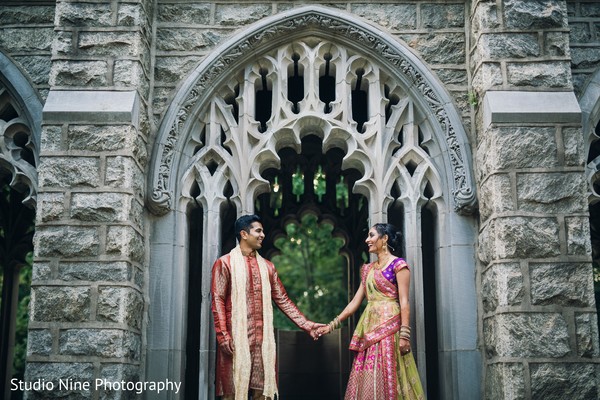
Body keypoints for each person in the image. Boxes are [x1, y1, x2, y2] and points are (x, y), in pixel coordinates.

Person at [211, 214, 324, 400]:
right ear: (244, 234)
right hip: (235, 338)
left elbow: (283, 300)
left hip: (262, 342)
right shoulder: (225, 263)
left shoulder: (268, 267)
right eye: (258, 231)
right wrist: (223, 335)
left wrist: (307, 324)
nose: (263, 234)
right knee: (231, 393)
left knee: (263, 393)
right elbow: (217, 300)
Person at [316, 223, 425, 400]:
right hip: (369, 328)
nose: (367, 240)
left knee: (390, 371)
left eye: (372, 235)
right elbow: (355, 302)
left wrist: (405, 335)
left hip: (390, 328)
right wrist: (331, 325)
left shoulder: (398, 265)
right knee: (370, 373)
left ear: (385, 239)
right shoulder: (367, 269)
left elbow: (404, 301)